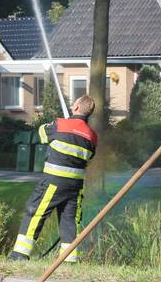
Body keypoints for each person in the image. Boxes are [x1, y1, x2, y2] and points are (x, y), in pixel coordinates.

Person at [9, 94, 97, 263]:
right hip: (76, 186)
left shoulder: (60, 125)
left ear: (77, 108)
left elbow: (41, 134)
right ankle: (69, 260)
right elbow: (90, 156)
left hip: (54, 182)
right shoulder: (92, 136)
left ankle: (19, 255)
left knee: (35, 212)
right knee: (70, 220)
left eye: (74, 104)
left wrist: (58, 124)